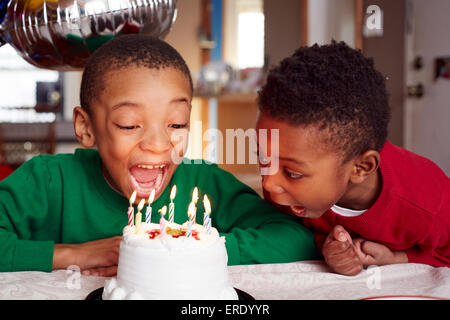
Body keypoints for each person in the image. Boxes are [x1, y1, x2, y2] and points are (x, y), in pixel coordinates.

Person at [0, 35, 317, 275]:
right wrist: (77, 255)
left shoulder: (204, 182)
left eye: (176, 123)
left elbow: (294, 238)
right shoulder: (48, 180)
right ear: (86, 127)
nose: (158, 143)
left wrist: (188, 252)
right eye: (130, 125)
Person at [256, 41, 450, 276]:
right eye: (264, 159)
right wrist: (326, 248)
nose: (268, 183)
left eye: (292, 173)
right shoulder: (285, 188)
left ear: (361, 168)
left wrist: (399, 258)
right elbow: (292, 231)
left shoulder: (427, 203)